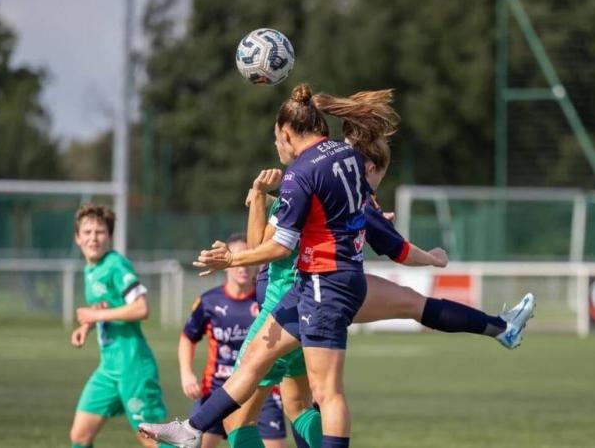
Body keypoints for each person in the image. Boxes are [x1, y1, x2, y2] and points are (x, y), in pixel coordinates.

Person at [139, 85, 535, 448]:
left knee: (325, 393)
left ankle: (193, 430)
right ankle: (501, 326)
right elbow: (383, 236)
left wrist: (232, 258)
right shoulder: (347, 157)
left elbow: (278, 247)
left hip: (321, 285)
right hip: (341, 281)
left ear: (288, 133)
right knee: (270, 361)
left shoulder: (300, 174)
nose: (277, 145)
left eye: (277, 138)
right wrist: (430, 258)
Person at [69, 203, 169, 448]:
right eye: (88, 231)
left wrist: (94, 317)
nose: (93, 237)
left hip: (133, 366)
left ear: (109, 236)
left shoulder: (116, 265)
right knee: (80, 436)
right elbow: (105, 308)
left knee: (152, 439)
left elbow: (141, 308)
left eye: (100, 232)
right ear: (77, 237)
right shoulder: (90, 270)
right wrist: (87, 326)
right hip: (109, 369)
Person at [179, 233, 287, 448]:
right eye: (237, 258)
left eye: (248, 257)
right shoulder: (209, 301)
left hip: (262, 390)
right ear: (226, 262)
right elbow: (188, 338)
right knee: (195, 442)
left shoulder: (269, 300)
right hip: (218, 390)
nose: (242, 266)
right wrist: (186, 373)